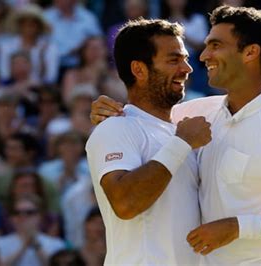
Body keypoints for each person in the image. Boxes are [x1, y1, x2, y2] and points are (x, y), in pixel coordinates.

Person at [90, 6, 261, 265]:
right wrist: (112, 113)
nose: (203, 57)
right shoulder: (203, 113)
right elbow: (146, 115)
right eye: (206, 46)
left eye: (216, 45)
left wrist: (238, 227)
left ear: (251, 53)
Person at [85, 19, 211, 265]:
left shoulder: (183, 130)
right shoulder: (115, 127)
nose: (187, 68)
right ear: (139, 70)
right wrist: (181, 143)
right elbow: (125, 203)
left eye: (185, 58)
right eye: (174, 60)